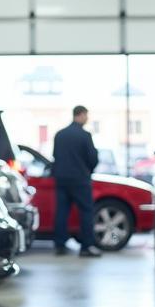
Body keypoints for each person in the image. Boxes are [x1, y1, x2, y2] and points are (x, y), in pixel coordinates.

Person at [52, 105, 102, 258]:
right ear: (80, 115)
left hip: (61, 179)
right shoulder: (84, 135)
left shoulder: (59, 135)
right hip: (80, 179)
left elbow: (55, 156)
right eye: (86, 115)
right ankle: (86, 247)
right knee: (86, 212)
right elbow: (93, 158)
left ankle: (60, 245)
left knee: (62, 211)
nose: (87, 118)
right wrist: (88, 170)